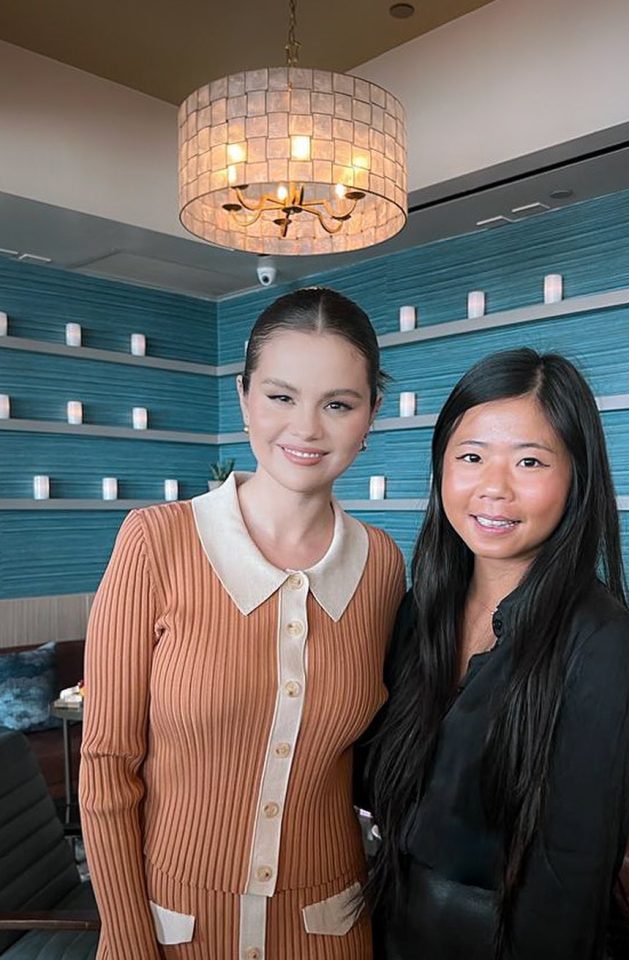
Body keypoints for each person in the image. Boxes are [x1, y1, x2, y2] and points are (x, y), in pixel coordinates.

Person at [80, 288, 405, 960]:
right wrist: (129, 941)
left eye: (338, 404)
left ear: (371, 413)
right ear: (245, 397)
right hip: (174, 927)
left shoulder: (380, 565)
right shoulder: (156, 542)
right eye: (281, 396)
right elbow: (108, 768)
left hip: (331, 927)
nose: (306, 429)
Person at [364, 348, 629, 960]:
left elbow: (572, 881)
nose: (494, 488)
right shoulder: (418, 611)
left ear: (576, 477)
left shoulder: (602, 641)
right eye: (471, 457)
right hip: (385, 930)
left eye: (530, 461)